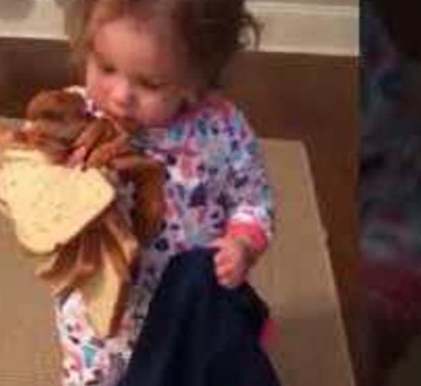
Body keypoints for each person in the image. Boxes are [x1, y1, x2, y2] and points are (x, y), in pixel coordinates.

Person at [53, 1, 275, 385]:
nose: (121, 95)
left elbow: (252, 199)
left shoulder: (222, 131)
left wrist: (242, 243)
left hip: (184, 306)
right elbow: (35, 178)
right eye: (106, 67)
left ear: (196, 80)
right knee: (96, 373)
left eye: (150, 84)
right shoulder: (76, 118)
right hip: (99, 310)